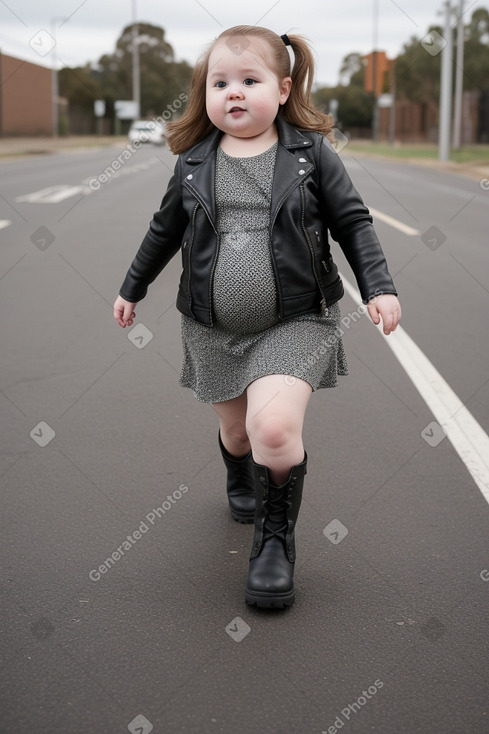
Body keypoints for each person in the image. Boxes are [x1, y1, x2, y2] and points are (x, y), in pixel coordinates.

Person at [113, 25, 401, 609]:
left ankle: (275, 541)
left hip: (294, 321)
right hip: (213, 328)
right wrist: (131, 287)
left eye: (250, 80)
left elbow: (353, 222)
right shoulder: (194, 161)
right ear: (205, 93)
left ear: (284, 87)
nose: (233, 93)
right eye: (220, 82)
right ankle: (236, 471)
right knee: (239, 432)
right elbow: (164, 231)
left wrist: (379, 286)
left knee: (273, 431)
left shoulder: (309, 154)